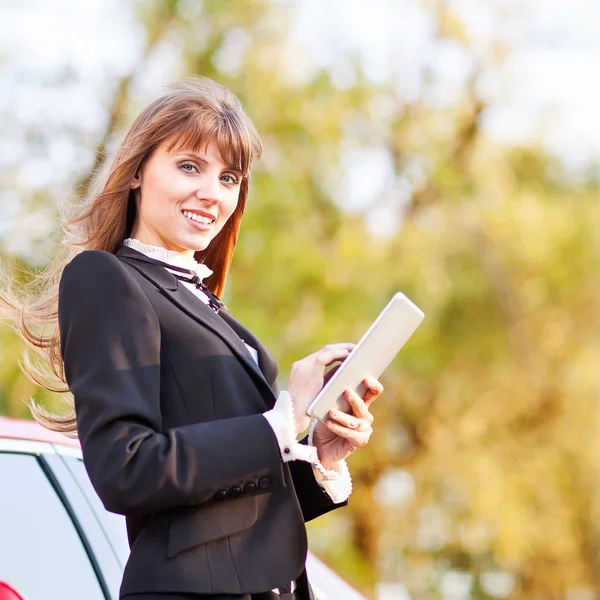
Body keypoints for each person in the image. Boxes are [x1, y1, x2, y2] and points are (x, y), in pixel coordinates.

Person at [1, 76, 383, 599]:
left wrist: (318, 452)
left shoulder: (212, 310)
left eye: (230, 177)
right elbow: (126, 468)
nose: (212, 193)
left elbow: (229, 515)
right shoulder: (106, 279)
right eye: (189, 167)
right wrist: (283, 419)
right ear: (137, 172)